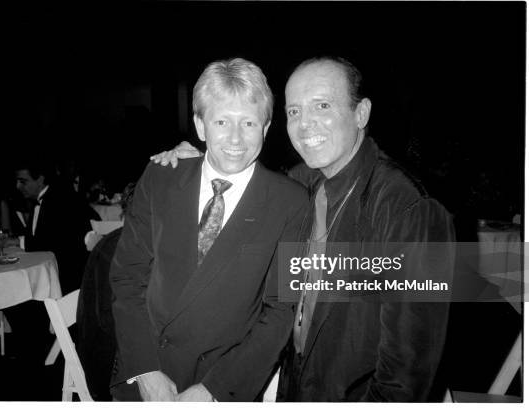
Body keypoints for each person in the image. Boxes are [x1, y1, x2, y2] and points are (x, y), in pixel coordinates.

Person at [151, 56, 455, 401]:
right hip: (293, 387)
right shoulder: (300, 184)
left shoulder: (410, 208)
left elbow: (407, 370)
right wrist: (198, 166)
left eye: (322, 105)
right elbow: (240, 186)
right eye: (294, 111)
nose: (305, 124)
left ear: (361, 113)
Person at [109, 58, 309, 402]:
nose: (235, 138)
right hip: (146, 369)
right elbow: (128, 278)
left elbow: (281, 311)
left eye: (248, 122)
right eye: (221, 121)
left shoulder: (290, 202)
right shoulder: (161, 177)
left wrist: (213, 389)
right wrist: (145, 370)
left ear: (265, 128)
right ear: (201, 126)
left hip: (223, 381)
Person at [76, 182, 135, 401]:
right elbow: (112, 324)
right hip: (111, 368)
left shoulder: (135, 241)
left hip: (122, 350)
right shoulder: (117, 250)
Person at [15, 160, 94, 294]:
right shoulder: (45, 199)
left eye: (23, 181)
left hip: (68, 279)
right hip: (55, 272)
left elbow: (52, 242)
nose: (18, 186)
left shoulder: (60, 199)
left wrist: (19, 241)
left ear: (40, 179)